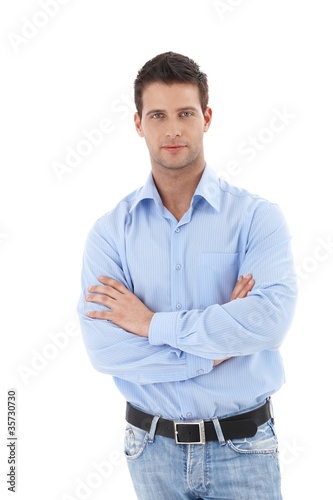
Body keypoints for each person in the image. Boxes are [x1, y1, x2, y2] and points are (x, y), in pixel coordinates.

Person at [77, 51, 297, 499]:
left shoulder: (258, 219)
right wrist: (213, 351)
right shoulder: (110, 234)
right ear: (138, 123)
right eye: (157, 114)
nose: (172, 128)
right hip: (150, 453)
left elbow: (269, 321)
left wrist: (149, 324)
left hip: (243, 448)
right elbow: (107, 351)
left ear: (207, 118)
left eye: (185, 113)